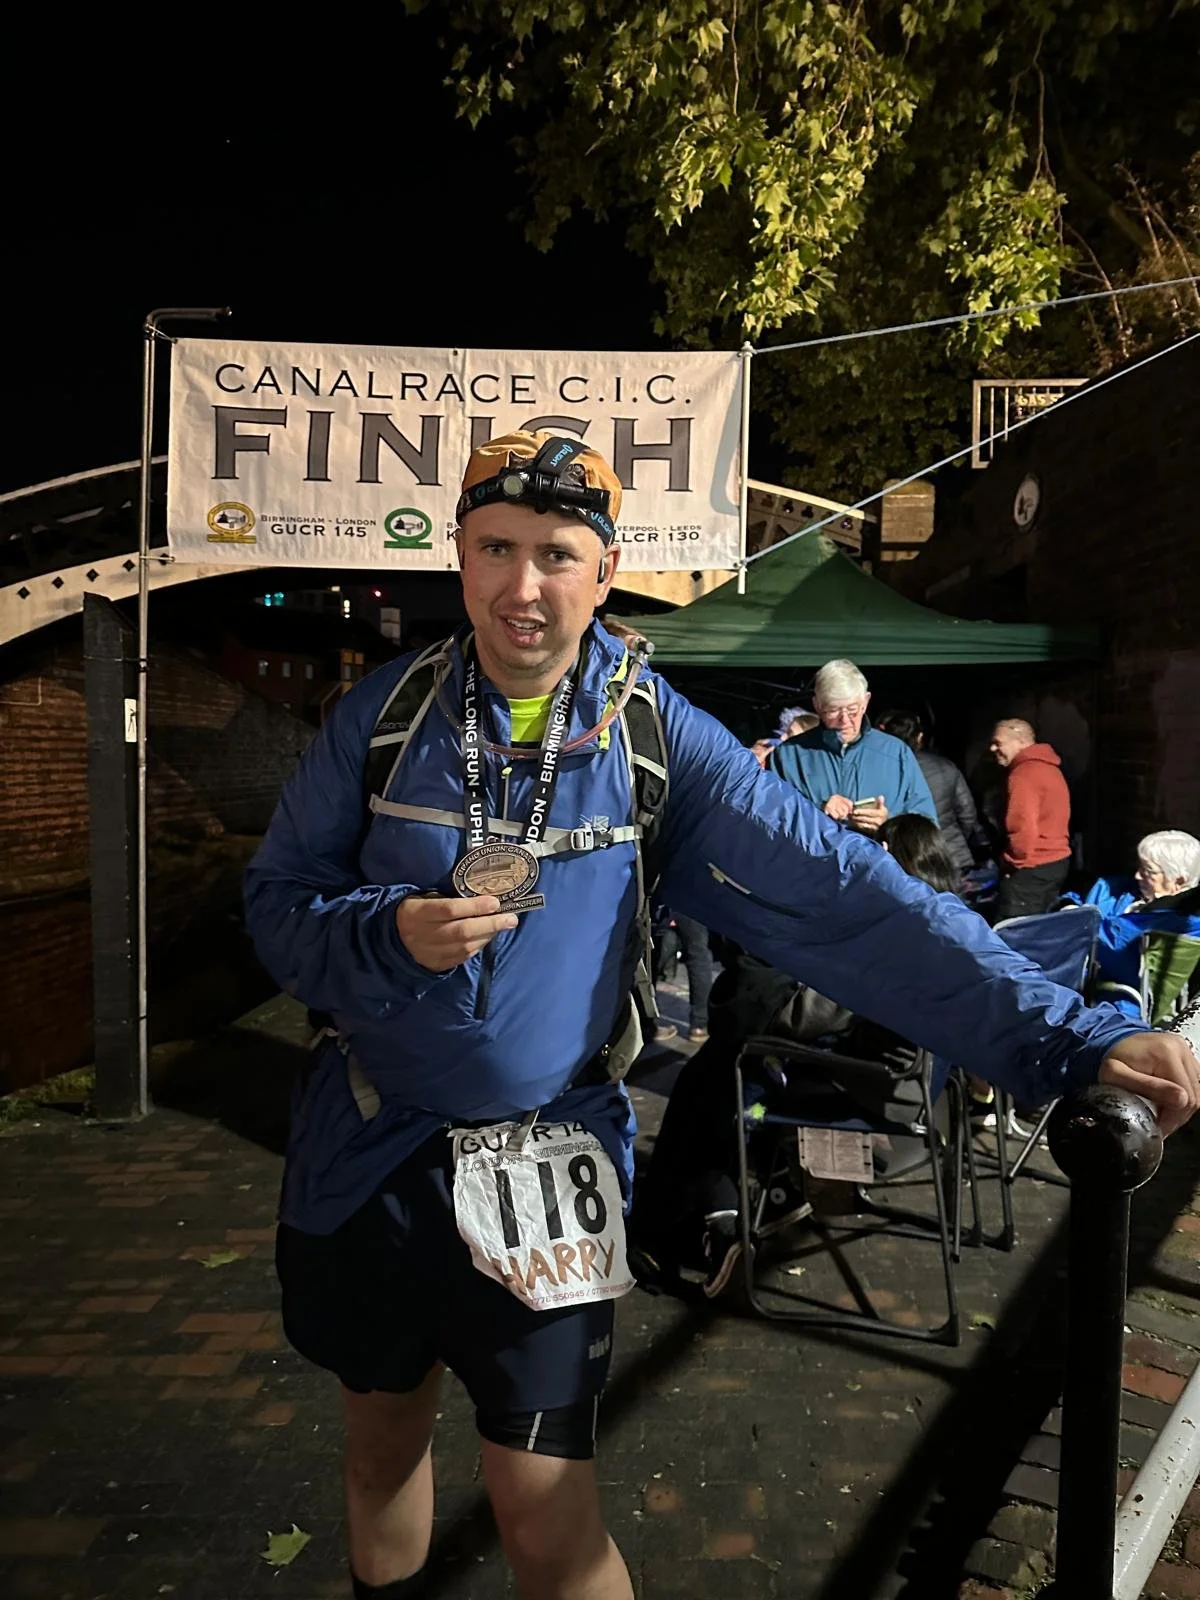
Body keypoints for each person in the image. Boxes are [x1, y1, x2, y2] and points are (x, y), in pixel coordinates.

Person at [245, 428, 1199, 1600]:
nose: (523, 586)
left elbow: (858, 899)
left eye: (557, 553)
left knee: (547, 1510)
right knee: (381, 1453)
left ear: (606, 571)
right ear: (458, 554)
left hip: (546, 1161)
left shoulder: (654, 736)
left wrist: (1073, 1035)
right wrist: (382, 932)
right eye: (496, 548)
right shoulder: (384, 715)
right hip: (367, 1153)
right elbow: (278, 904)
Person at [635, 814, 964, 1293]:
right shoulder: (947, 918)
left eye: (879, 849)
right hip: (917, 1079)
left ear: (901, 860)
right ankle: (722, 1207)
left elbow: (811, 1015)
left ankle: (705, 1224)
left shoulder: (900, 930)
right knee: (726, 1064)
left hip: (871, 1089)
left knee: (727, 1074)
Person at [769, 659, 937, 835]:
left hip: (878, 860)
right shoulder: (788, 756)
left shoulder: (897, 753)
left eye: (852, 709)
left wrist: (888, 824)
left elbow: (927, 829)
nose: (845, 720)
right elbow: (770, 820)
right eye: (833, 710)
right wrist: (818, 811)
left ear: (865, 702)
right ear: (817, 706)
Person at [1071, 832, 1200, 1018]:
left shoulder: (1175, 921)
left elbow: (1104, 937)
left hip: (1114, 1003)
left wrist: (1072, 915)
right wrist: (1069, 902)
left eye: (1148, 871)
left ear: (1178, 881)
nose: (1138, 875)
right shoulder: (1137, 894)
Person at [876, 709, 988, 877]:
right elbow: (968, 815)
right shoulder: (945, 766)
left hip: (910, 862)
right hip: (954, 856)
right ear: (920, 737)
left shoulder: (880, 773)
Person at [989, 719, 1072, 919]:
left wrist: (1012, 862)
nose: (992, 748)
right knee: (1039, 929)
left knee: (1013, 934)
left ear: (1020, 741)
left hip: (1032, 866)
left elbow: (1022, 827)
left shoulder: (1024, 774)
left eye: (998, 743)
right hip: (1056, 862)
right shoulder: (1049, 768)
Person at [651, 907, 714, 1043]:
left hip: (662, 897)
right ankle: (699, 1025)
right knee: (699, 957)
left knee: (651, 955)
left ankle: (646, 1022)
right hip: (691, 898)